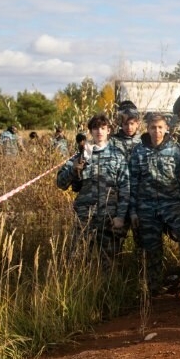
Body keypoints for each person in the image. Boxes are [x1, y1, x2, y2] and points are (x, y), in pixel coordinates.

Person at [56, 113, 130, 268]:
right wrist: (74, 169)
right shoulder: (82, 155)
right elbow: (61, 183)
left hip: (109, 216)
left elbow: (125, 187)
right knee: (77, 259)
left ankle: (108, 291)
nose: (99, 132)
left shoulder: (118, 156)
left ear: (109, 130)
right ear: (90, 131)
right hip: (85, 217)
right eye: (95, 128)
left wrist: (121, 216)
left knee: (109, 263)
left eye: (103, 128)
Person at [129, 113, 180, 295]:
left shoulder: (175, 149)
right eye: (153, 128)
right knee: (152, 248)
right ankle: (154, 288)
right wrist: (133, 211)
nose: (156, 131)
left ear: (166, 129)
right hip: (146, 207)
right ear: (147, 129)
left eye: (160, 127)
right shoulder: (139, 151)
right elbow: (133, 182)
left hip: (172, 204)